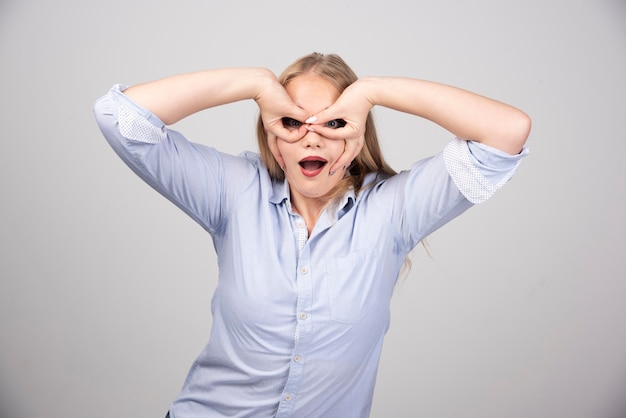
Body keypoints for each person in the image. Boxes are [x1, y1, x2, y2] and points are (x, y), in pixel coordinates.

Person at [93, 52, 530, 418]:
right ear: (273, 135)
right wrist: (256, 83)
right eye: (293, 121)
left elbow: (507, 132)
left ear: (357, 137)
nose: (312, 139)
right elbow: (120, 116)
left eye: (334, 123)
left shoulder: (393, 211)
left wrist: (373, 91)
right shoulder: (235, 192)